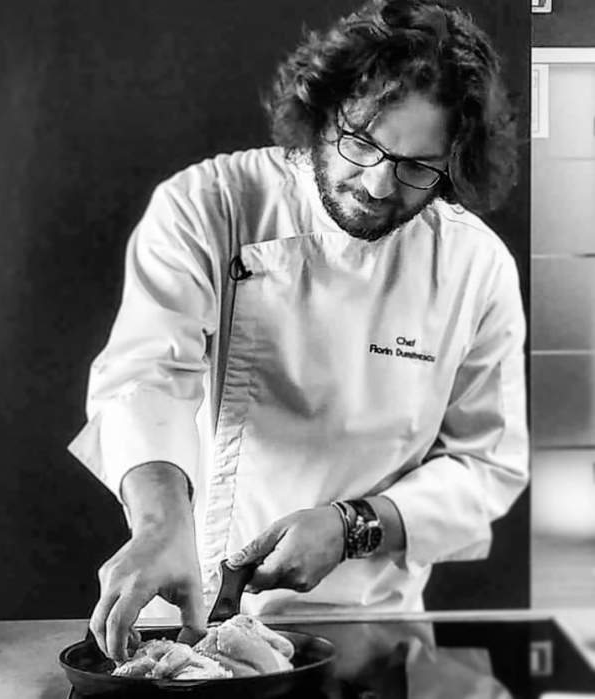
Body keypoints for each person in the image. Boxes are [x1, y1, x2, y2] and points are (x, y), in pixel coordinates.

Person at [69, 0, 528, 663]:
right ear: (322, 110)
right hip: (188, 616)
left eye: (417, 166)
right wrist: (159, 523)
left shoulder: (474, 266)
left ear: (454, 165)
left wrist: (353, 526)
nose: (379, 183)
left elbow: (488, 465)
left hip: (371, 628)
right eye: (361, 142)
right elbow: (146, 377)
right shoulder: (210, 204)